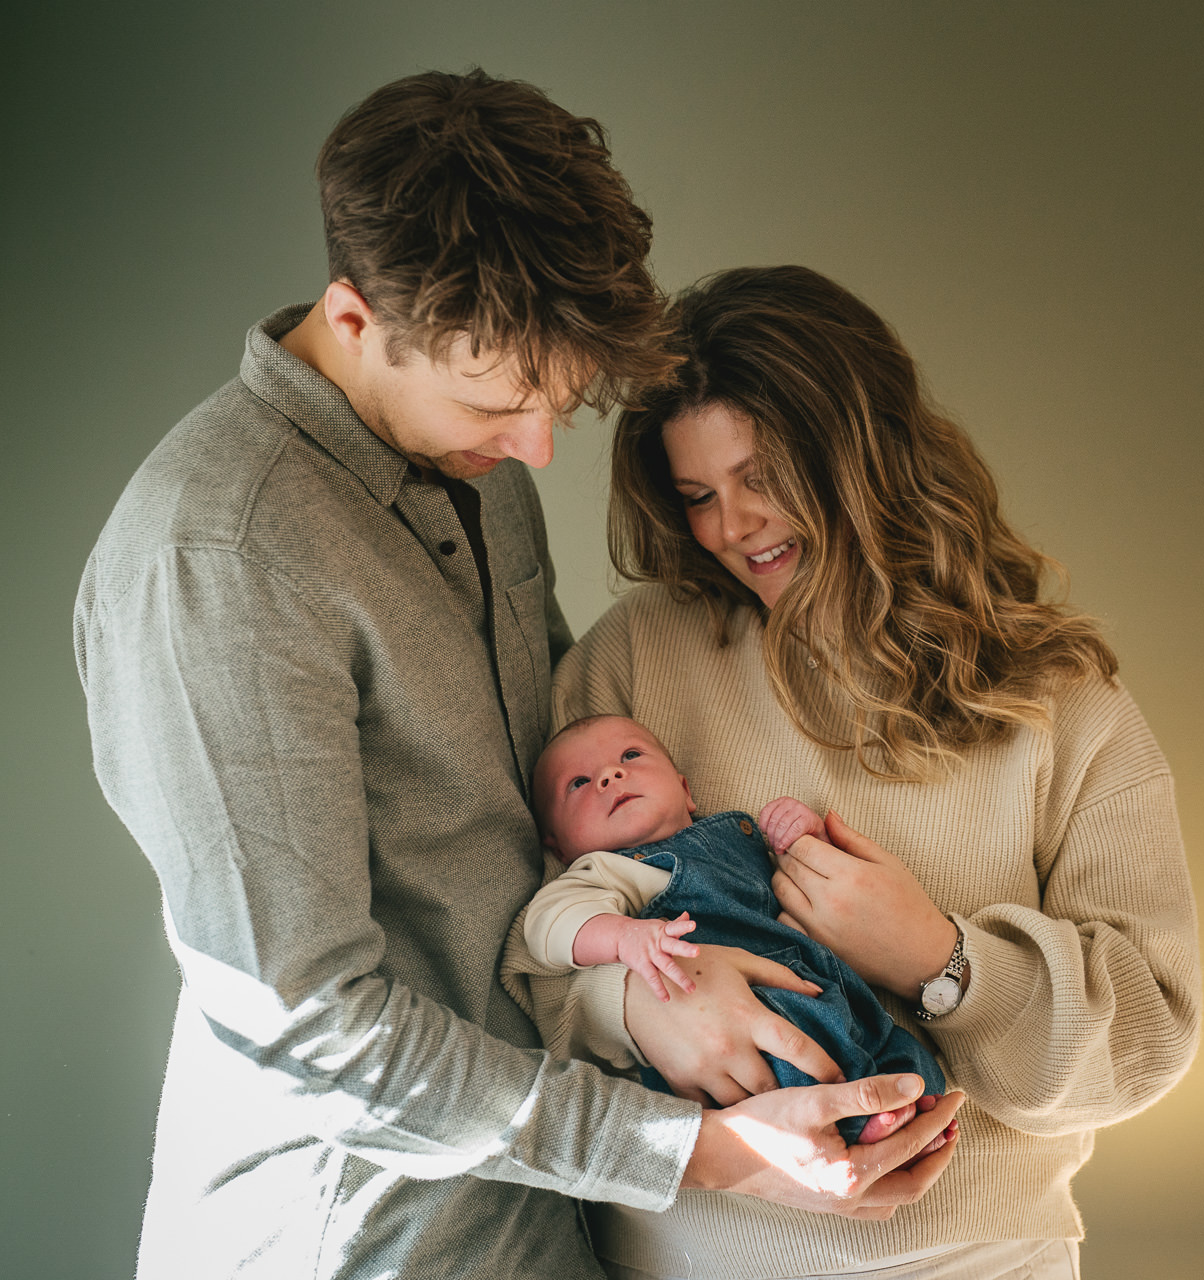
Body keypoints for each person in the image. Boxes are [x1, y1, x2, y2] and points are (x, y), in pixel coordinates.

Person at [73, 73, 959, 1280]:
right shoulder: (221, 557)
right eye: (499, 401)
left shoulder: (483, 470)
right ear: (350, 319)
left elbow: (555, 829)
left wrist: (661, 996)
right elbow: (311, 1024)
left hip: (548, 1224)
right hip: (359, 1242)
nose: (537, 448)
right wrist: (693, 1146)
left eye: (559, 401)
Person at [541, 264, 1204, 1279]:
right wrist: (635, 1005)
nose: (734, 527)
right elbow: (520, 965)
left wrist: (942, 962)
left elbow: (1150, 1034)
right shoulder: (631, 660)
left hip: (979, 1258)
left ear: (861, 454)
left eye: (763, 477)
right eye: (698, 496)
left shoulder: (1058, 698)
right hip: (695, 1255)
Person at [503, 712, 950, 1148]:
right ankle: (854, 1124)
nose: (609, 775)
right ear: (557, 845)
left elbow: (820, 892)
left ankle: (919, 1104)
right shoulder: (604, 871)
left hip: (817, 977)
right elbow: (548, 926)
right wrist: (622, 937)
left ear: (685, 790)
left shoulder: (736, 835)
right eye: (578, 783)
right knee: (793, 1049)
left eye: (631, 755)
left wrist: (803, 838)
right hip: (733, 1012)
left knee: (881, 1032)